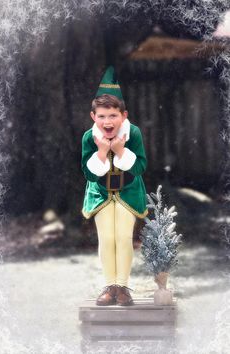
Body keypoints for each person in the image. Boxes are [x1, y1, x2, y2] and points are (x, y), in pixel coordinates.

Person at [81, 66, 148, 306]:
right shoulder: (89, 138)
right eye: (101, 116)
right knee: (106, 238)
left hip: (127, 193)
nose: (107, 121)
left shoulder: (134, 133)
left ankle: (123, 287)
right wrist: (101, 152)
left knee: (123, 237)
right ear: (93, 117)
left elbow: (140, 167)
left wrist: (121, 151)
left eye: (113, 115)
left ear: (124, 115)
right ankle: (109, 286)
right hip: (100, 193)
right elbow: (88, 173)